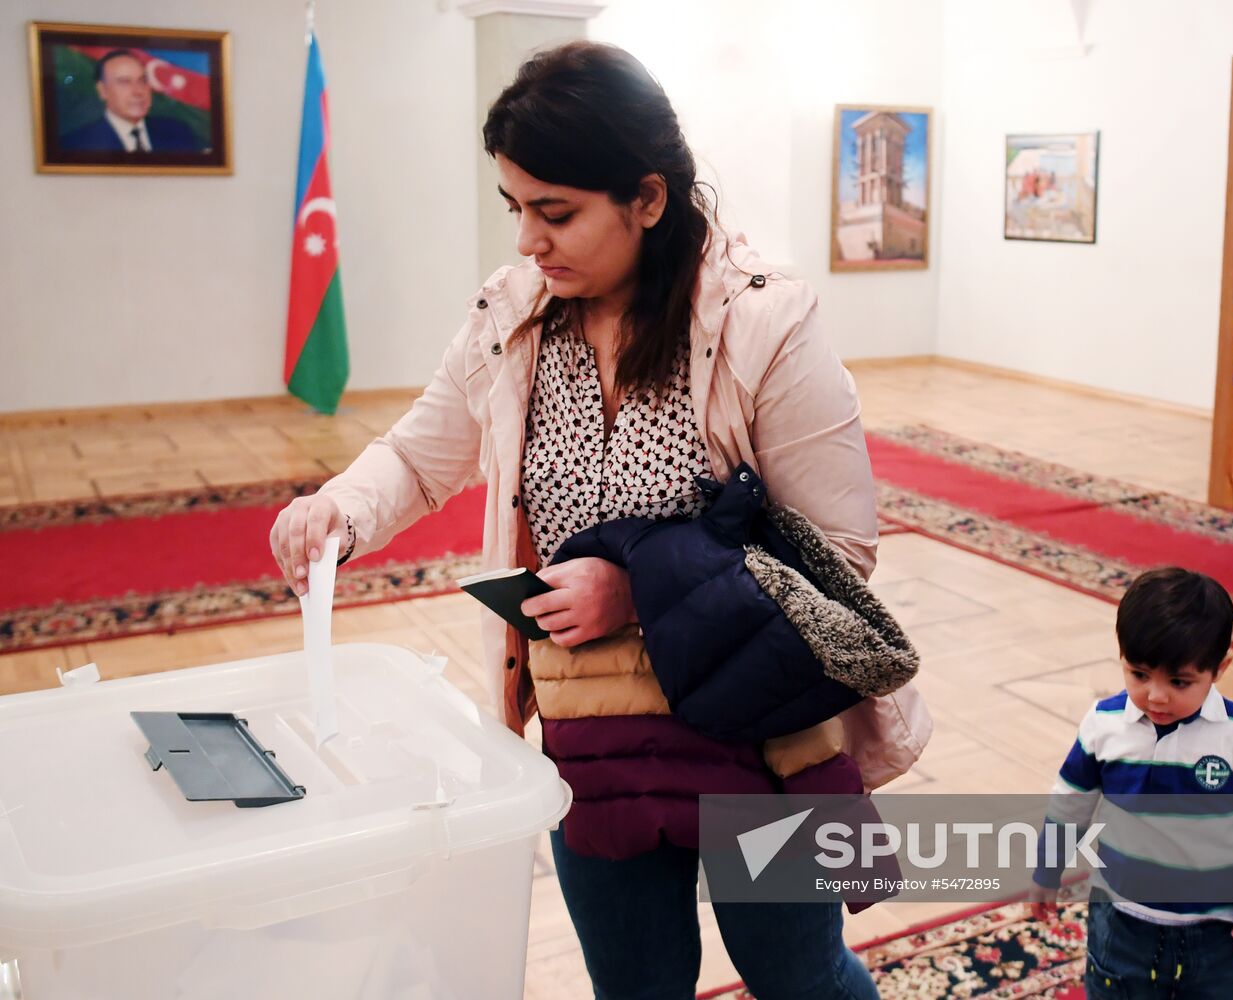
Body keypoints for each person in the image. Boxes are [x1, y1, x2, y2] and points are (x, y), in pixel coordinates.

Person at [270, 41, 929, 999]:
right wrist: (338, 509)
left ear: (647, 199)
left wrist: (638, 586)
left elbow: (840, 551)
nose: (529, 242)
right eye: (515, 209)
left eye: (556, 212)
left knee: (801, 978)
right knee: (634, 984)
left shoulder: (764, 321)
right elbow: (422, 452)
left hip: (762, 729)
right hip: (591, 724)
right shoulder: (513, 315)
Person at [1029, 567, 1233, 1000]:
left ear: (1219, 669)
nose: (1157, 696)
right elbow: (1069, 805)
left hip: (1217, 933)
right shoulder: (1104, 724)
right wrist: (1047, 867)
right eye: (1139, 674)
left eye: (1179, 681)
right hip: (1121, 921)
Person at [60, 49, 202, 153]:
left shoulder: (179, 133)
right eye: (124, 82)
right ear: (103, 90)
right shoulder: (77, 143)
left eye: (142, 81)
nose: (138, 91)